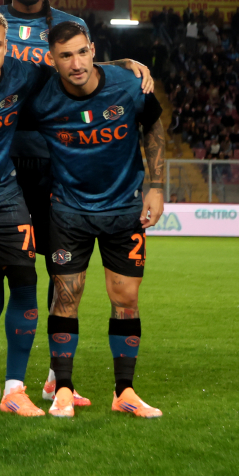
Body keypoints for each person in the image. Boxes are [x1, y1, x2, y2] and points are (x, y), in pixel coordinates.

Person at [0, 8, 152, 418]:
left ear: (7, 45)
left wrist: (123, 64)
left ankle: (15, 389)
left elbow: (75, 66)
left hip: (4, 196)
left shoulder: (25, 74)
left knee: (25, 282)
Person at [26, 21, 165, 418]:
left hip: (125, 210)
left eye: (82, 52)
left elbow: (153, 124)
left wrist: (156, 184)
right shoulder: (42, 98)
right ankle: (64, 390)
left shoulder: (126, 84)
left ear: (93, 49)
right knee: (66, 299)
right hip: (69, 212)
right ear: (52, 60)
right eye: (64, 55)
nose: (76, 62)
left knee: (127, 300)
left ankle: (125, 392)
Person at [0, 0, 88, 408]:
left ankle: (57, 378)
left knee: (59, 268)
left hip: (56, 161)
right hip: (0, 157)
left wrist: (127, 65)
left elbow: (85, 73)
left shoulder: (67, 25)